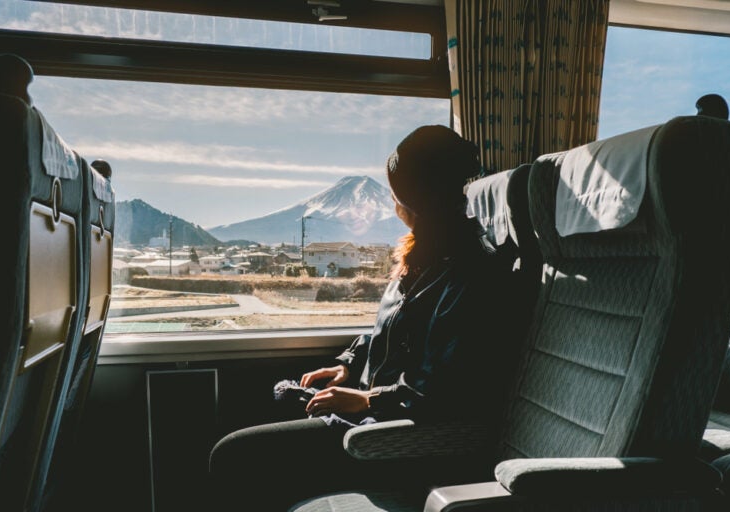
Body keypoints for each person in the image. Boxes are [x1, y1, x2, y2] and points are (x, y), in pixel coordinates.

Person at [208, 125, 516, 510]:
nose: (391, 200)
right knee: (247, 407)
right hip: (373, 414)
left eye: (396, 192)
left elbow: (443, 389)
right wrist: (348, 364)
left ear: (415, 200)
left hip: (395, 439)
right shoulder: (423, 258)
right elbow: (393, 332)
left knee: (234, 456)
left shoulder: (471, 273)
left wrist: (366, 400)